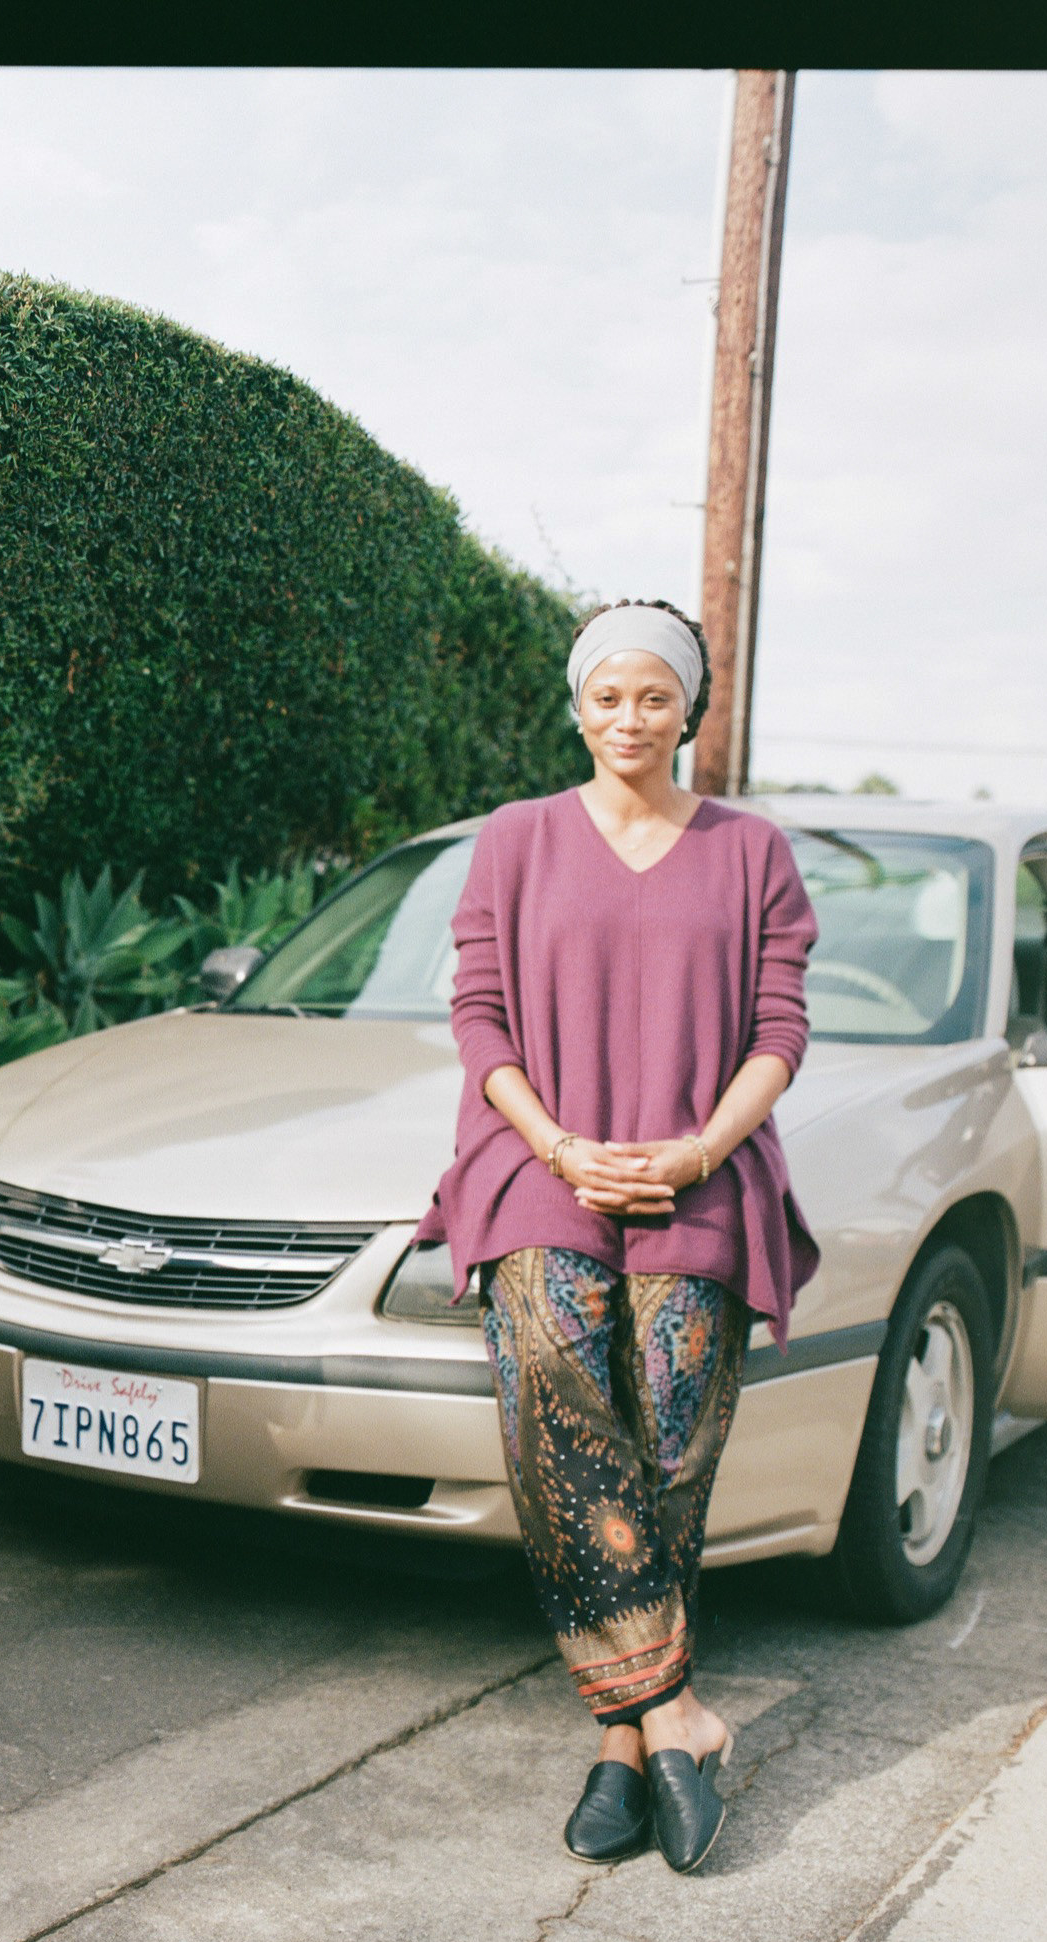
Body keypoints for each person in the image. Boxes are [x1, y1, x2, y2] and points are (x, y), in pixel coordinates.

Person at [415, 600, 818, 1876]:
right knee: (552, 1382)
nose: (629, 719)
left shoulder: (752, 852)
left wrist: (700, 1149)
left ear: (687, 709)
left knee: (668, 1427)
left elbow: (779, 1032)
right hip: (543, 1162)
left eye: (655, 697)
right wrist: (553, 1144)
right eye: (608, 697)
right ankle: (678, 1709)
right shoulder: (518, 838)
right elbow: (480, 1019)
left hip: (700, 1166)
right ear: (576, 706)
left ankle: (625, 1744)